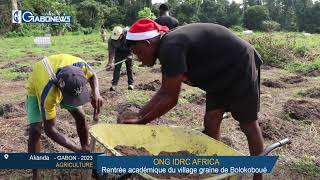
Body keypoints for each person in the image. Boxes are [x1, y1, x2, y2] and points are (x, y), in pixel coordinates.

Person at [119, 19, 264, 180]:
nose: (139, 59)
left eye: (138, 52)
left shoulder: (170, 47)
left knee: (248, 124)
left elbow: (170, 98)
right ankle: (213, 165)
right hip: (218, 72)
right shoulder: (166, 45)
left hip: (239, 66)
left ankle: (258, 176)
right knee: (211, 120)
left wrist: (142, 121)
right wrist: (140, 115)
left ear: (147, 43)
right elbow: (164, 91)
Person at [26, 54, 103, 180]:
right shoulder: (48, 93)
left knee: (80, 116)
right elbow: (50, 129)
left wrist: (96, 92)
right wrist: (75, 150)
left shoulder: (80, 66)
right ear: (60, 90)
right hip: (37, 86)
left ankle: (86, 154)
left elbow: (93, 75)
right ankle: (36, 174)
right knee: (35, 131)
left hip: (65, 83)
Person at [106, 26, 134, 91]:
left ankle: (130, 84)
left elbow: (134, 44)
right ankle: (114, 85)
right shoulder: (111, 40)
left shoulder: (128, 34)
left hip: (128, 51)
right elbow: (111, 52)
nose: (115, 40)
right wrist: (110, 62)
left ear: (121, 35)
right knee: (117, 68)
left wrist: (130, 55)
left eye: (117, 39)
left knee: (129, 68)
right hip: (118, 53)